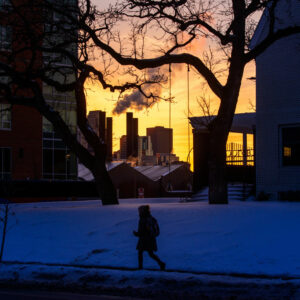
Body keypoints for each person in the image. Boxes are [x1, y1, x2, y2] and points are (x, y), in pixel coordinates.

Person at [133, 205, 166, 270]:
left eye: (139, 211)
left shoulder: (143, 219)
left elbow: (142, 231)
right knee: (150, 253)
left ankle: (140, 267)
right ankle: (161, 263)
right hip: (151, 238)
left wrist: (136, 234)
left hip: (144, 239)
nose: (139, 212)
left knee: (140, 252)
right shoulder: (151, 218)